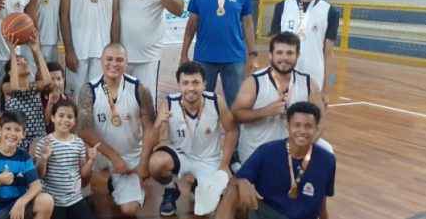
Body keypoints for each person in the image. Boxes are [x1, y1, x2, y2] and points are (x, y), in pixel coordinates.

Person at [146, 62, 238, 217]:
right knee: (156, 163)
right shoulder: (169, 103)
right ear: (179, 85)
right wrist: (157, 124)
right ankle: (171, 189)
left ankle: (199, 184)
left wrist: (223, 165)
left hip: (209, 159)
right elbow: (156, 142)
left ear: (204, 84)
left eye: (196, 82)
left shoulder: (216, 101)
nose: (190, 88)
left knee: (217, 204)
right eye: (185, 83)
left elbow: (232, 131)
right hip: (181, 156)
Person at [215, 102, 335, 219]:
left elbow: (321, 201)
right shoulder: (267, 151)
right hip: (268, 213)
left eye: (308, 126)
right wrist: (242, 182)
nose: (302, 131)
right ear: (287, 126)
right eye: (297, 125)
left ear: (316, 128)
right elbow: (237, 180)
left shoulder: (327, 160)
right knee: (233, 190)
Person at [76, 43, 156, 217]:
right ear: (101, 61)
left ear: (127, 62)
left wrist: (143, 163)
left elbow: (150, 128)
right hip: (98, 155)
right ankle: (84, 191)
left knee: (129, 211)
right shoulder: (88, 90)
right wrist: (113, 157)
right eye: (109, 59)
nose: (114, 64)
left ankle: (120, 184)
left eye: (119, 60)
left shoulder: (139, 89)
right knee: (75, 151)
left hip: (129, 157)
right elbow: (83, 130)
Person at [231, 32, 330, 165]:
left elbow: (321, 121)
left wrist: (306, 146)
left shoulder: (309, 83)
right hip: (257, 151)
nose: (284, 58)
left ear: (297, 55)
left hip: (292, 150)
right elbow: (236, 115)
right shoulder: (254, 82)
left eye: (290, 53)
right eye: (279, 53)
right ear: (271, 55)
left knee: (326, 150)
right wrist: (265, 111)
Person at [181, 0, 256, 108]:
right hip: (205, 56)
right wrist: (183, 53)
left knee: (236, 105)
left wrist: (253, 54)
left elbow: (248, 23)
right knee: (200, 102)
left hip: (234, 57)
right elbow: (192, 24)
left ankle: (235, 133)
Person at [116, 0, 184, 102]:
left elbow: (179, 9)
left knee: (146, 103)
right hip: (120, 54)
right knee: (120, 102)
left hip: (148, 56)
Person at [270, 0, 340, 105]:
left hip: (313, 78)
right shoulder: (282, 7)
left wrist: (327, 91)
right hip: (284, 76)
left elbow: (329, 54)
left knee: (309, 125)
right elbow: (273, 48)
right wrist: (270, 78)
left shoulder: (330, 12)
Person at [0, 111, 55, 219]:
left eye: (17, 130)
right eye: (8, 129)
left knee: (46, 200)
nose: (12, 133)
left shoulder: (24, 157)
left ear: (23, 134)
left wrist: (21, 202)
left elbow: (36, 186)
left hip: (16, 208)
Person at [34, 99, 99, 219]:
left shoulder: (79, 143)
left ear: (74, 121)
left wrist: (91, 160)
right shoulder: (44, 143)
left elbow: (83, 174)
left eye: (70, 117)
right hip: (54, 201)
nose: (65, 120)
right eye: (61, 115)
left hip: (75, 199)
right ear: (53, 117)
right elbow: (40, 175)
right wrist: (44, 158)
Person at [0, 35, 53, 152]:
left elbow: (48, 81)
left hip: (38, 137)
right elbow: (15, 88)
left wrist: (37, 50)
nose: (23, 62)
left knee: (41, 150)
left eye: (24, 60)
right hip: (17, 137)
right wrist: (13, 52)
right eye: (18, 63)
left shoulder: (33, 86)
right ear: (10, 72)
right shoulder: (6, 87)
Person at [43, 62, 71, 134]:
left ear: (63, 80)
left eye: (59, 79)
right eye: (52, 79)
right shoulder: (40, 99)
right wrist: (50, 103)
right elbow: (45, 123)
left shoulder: (68, 100)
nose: (56, 83)